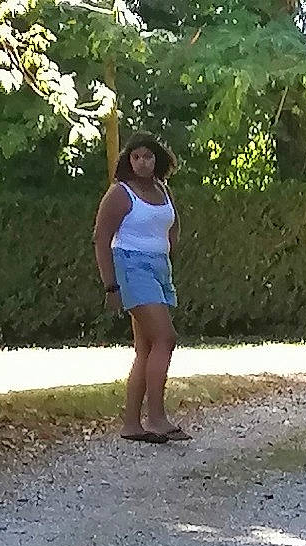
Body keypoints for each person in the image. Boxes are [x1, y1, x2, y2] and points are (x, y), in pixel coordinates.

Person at [92, 132, 186, 443]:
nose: (142, 162)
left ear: (157, 159)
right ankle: (157, 418)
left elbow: (172, 226)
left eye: (148, 156)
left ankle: (132, 424)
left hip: (159, 267)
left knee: (146, 348)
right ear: (128, 161)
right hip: (131, 266)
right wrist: (111, 285)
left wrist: (169, 251)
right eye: (136, 157)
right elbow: (101, 238)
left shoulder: (162, 189)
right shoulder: (120, 194)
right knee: (165, 337)